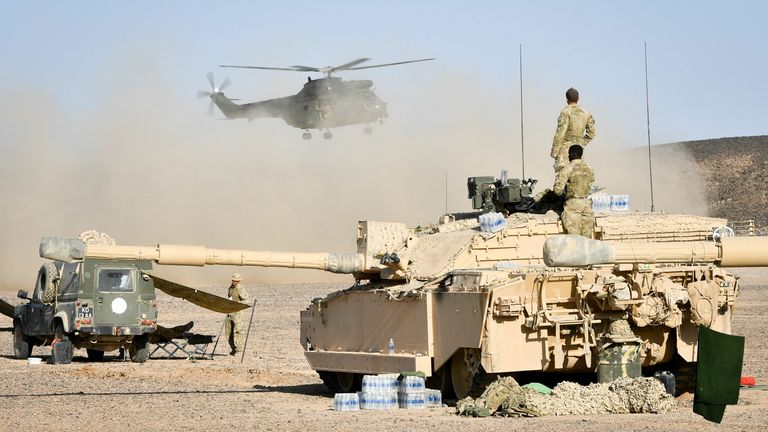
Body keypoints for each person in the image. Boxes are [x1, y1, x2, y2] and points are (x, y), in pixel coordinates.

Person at [553, 145, 595, 237]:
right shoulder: (589, 168)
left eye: (569, 154)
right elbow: (591, 182)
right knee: (587, 239)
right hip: (586, 204)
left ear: (571, 154)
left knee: (574, 239)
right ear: (581, 155)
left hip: (572, 206)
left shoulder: (567, 169)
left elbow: (557, 190)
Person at [551, 88, 596, 173]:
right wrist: (581, 143)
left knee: (562, 177)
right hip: (579, 152)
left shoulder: (565, 112)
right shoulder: (586, 113)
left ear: (566, 99)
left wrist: (555, 152)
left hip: (565, 151)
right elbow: (592, 133)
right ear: (578, 98)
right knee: (577, 176)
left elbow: (560, 134)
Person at [224, 273, 249, 356]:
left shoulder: (240, 288)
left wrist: (237, 303)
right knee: (228, 333)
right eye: (233, 280)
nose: (234, 282)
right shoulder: (230, 288)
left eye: (236, 281)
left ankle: (239, 349)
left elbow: (247, 301)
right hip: (230, 313)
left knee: (238, 331)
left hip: (238, 314)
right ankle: (233, 348)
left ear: (239, 281)